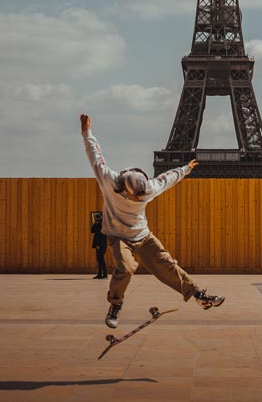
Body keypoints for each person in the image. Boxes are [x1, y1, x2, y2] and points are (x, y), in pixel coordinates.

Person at [80, 113, 224, 328]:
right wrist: (87, 132)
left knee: (167, 264)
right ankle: (115, 305)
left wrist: (186, 168)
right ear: (122, 188)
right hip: (118, 237)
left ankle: (198, 295)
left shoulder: (149, 188)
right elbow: (95, 155)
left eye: (140, 196)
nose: (138, 199)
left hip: (143, 235)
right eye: (133, 197)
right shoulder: (108, 180)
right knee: (126, 268)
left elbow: (168, 178)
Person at [90, 212, 108, 279]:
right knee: (99, 259)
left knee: (101, 259)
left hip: (101, 245)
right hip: (99, 245)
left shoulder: (103, 224)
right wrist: (94, 222)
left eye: (98, 217)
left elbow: (103, 236)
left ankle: (104, 274)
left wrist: (99, 245)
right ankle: (100, 274)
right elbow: (92, 231)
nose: (97, 218)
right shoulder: (97, 224)